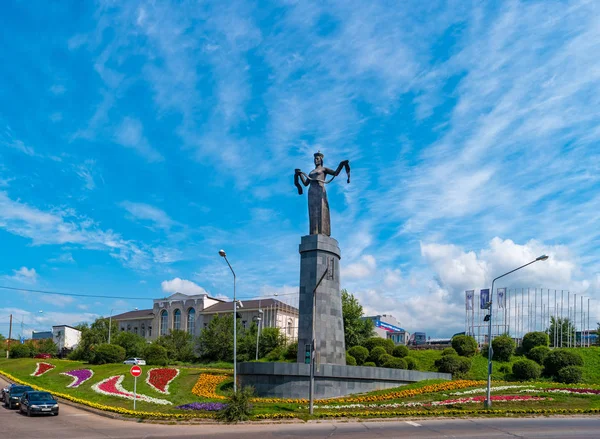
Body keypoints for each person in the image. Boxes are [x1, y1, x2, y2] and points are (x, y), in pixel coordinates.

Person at [294, 152, 350, 236]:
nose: (316, 160)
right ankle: (313, 232)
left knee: (322, 210)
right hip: (312, 191)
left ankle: (323, 232)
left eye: (318, 158)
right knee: (313, 211)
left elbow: (335, 173)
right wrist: (299, 175)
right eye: (315, 159)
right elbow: (306, 183)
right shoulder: (311, 172)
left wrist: (341, 164)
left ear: (321, 160)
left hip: (320, 190)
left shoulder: (324, 169)